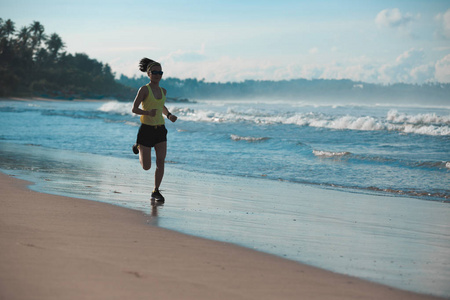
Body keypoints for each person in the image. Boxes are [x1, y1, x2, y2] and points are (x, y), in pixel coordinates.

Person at [131, 58, 177, 202]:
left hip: (160, 130)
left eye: (160, 72)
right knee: (146, 166)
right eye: (155, 72)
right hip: (146, 130)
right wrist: (147, 113)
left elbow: (161, 106)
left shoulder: (163, 90)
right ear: (149, 73)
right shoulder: (144, 89)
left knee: (161, 162)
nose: (158, 75)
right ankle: (138, 146)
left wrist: (168, 115)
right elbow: (134, 108)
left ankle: (156, 190)